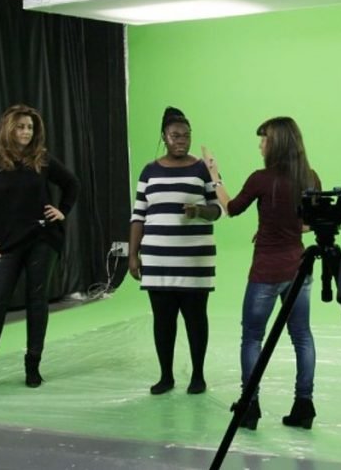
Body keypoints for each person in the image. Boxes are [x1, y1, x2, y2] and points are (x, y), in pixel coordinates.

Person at [203, 116, 321, 430]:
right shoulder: (309, 177)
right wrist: (281, 228)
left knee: (252, 338)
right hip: (298, 269)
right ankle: (304, 406)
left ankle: (249, 407)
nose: (260, 145)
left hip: (267, 271)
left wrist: (214, 174)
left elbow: (230, 208)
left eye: (264, 139)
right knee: (302, 337)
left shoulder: (261, 178)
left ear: (277, 143)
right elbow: (310, 224)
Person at [0, 104, 79, 391]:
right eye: (21, 126)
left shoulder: (42, 160)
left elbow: (72, 184)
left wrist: (62, 210)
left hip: (43, 239)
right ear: (8, 129)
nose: (26, 132)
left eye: (30, 127)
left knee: (37, 303)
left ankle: (33, 366)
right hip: (6, 244)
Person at [129, 106, 221, 395]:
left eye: (186, 135)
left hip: (194, 259)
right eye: (175, 135)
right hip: (157, 259)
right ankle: (166, 376)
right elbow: (138, 215)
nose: (181, 140)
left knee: (196, 319)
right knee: (163, 321)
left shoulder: (202, 168)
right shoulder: (149, 170)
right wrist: (133, 255)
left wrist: (199, 210)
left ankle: (198, 376)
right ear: (164, 137)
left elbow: (218, 209)